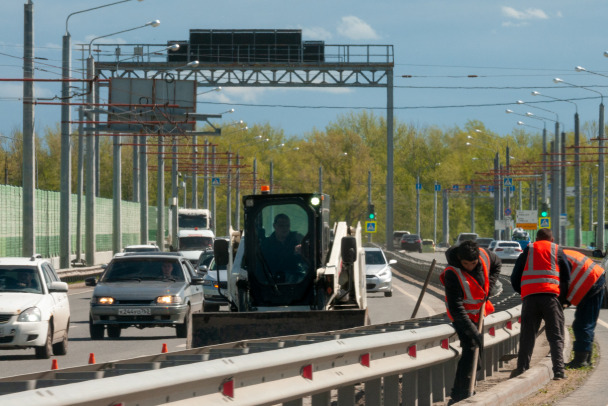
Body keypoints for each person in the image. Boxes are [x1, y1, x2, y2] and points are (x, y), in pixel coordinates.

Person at [440, 240, 501, 404]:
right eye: (466, 264)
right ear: (460, 259)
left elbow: (497, 264)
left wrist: (489, 287)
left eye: (473, 263)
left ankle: (463, 392)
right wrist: (472, 332)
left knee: (475, 352)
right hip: (460, 316)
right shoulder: (452, 273)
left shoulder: (484, 257)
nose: (470, 267)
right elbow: (456, 307)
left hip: (478, 314)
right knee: (472, 348)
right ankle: (461, 393)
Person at [510, 228, 571, 380]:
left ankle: (522, 369)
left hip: (530, 298)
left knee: (527, 335)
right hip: (550, 298)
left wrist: (524, 292)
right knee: (556, 336)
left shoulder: (528, 250)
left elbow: (515, 276)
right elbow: (566, 277)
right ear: (552, 239)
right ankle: (559, 371)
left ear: (536, 238)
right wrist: (562, 299)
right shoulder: (557, 250)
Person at [561, 249, 606, 368]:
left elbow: (562, 285)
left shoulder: (556, 259)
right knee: (584, 323)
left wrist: (562, 303)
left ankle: (581, 360)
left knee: (583, 324)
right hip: (594, 279)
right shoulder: (559, 254)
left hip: (592, 282)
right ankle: (586, 358)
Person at [260, 213, 305, 283]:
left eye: (287, 226)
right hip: (272, 281)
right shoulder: (267, 244)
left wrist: (301, 251)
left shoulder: (297, 239)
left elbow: (306, 261)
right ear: (274, 226)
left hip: (295, 278)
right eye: (281, 226)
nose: (285, 228)